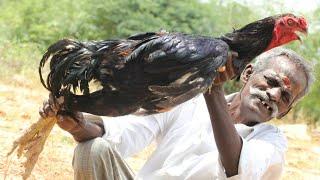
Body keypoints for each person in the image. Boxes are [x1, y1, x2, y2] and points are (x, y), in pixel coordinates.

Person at [40, 48, 314, 180]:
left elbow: (236, 167)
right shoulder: (188, 101)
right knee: (93, 150)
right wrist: (78, 125)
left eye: (286, 96)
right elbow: (124, 134)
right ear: (248, 74)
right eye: (272, 82)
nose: (275, 95)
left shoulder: (272, 144)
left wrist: (213, 90)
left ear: (285, 111)